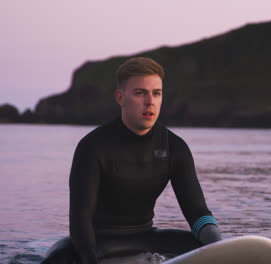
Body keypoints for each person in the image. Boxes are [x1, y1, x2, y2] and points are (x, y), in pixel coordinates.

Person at [41, 57, 222, 264]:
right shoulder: (92, 147)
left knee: (203, 247)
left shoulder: (175, 148)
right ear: (120, 97)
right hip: (97, 242)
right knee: (59, 259)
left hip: (147, 239)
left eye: (156, 93)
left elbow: (197, 212)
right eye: (140, 93)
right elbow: (80, 222)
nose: (150, 101)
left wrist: (217, 247)